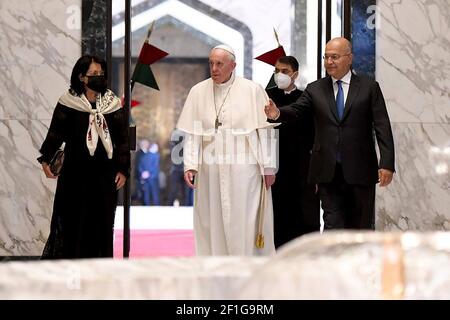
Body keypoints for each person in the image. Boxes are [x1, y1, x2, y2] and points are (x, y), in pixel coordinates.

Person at [265, 37, 395, 230]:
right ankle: (333, 261)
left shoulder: (369, 87)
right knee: (332, 225)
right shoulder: (315, 88)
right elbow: (296, 110)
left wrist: (386, 163)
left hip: (360, 170)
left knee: (360, 227)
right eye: (326, 57)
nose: (329, 62)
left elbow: (382, 126)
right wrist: (277, 113)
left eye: (334, 57)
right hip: (327, 171)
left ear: (349, 58)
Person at [176, 44, 277, 256]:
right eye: (211, 63)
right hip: (210, 169)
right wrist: (191, 165)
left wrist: (269, 167)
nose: (214, 68)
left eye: (219, 64)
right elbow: (193, 133)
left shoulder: (253, 89)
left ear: (233, 65)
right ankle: (216, 264)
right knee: (211, 218)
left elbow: (265, 131)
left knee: (245, 217)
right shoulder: (198, 91)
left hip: (245, 168)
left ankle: (247, 263)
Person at [38, 55, 129, 259]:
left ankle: (98, 270)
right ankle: (70, 269)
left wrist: (123, 170)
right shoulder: (68, 102)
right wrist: (46, 160)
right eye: (93, 74)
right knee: (72, 221)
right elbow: (55, 133)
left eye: (101, 74)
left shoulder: (112, 103)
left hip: (104, 175)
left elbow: (122, 139)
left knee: (101, 222)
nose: (99, 77)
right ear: (81, 77)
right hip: (74, 173)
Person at [267, 56, 320, 248]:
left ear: (295, 74)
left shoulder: (306, 98)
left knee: (305, 212)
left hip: (302, 166)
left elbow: (314, 133)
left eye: (284, 71)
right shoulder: (267, 97)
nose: (279, 75)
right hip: (274, 166)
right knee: (278, 213)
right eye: (276, 70)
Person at [137, 141, 160, 205]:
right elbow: (155, 166)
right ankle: (156, 205)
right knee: (153, 192)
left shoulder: (145, 155)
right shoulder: (156, 155)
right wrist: (147, 173)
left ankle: (148, 205)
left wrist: (143, 173)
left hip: (147, 176)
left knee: (147, 193)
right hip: (152, 177)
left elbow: (140, 165)